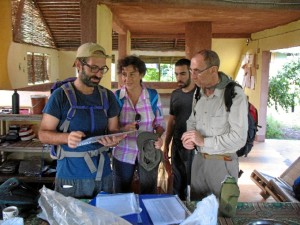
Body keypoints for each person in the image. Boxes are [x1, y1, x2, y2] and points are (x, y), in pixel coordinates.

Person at [38, 42, 125, 198]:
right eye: (93, 68)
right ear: (78, 64)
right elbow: (43, 134)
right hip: (71, 175)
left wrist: (114, 139)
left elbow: (113, 130)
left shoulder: (108, 97)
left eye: (102, 69)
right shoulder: (60, 96)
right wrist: (66, 137)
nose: (98, 74)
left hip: (103, 174)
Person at [181, 49, 248, 200]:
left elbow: (239, 138)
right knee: (198, 210)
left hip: (222, 164)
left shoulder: (234, 94)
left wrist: (204, 141)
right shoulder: (198, 92)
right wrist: (190, 138)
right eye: (191, 71)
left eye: (197, 71)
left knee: (221, 214)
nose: (193, 76)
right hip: (198, 161)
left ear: (213, 70)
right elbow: (192, 120)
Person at [112, 55, 166, 194]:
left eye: (132, 74)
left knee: (148, 190)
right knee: (120, 191)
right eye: (124, 74)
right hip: (123, 152)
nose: (127, 79)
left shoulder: (152, 96)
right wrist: (123, 129)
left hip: (148, 152)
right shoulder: (116, 97)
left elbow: (159, 124)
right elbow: (110, 127)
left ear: (141, 74)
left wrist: (158, 137)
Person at [163, 58, 196, 200]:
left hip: (194, 147)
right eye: (176, 74)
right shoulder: (175, 94)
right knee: (176, 182)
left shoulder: (201, 94)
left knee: (191, 184)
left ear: (191, 73)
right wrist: (166, 144)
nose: (178, 78)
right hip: (176, 145)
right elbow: (172, 120)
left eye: (182, 74)